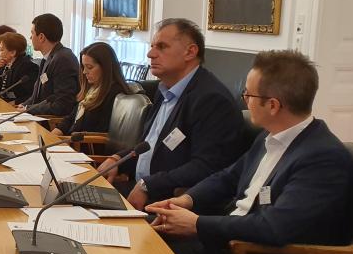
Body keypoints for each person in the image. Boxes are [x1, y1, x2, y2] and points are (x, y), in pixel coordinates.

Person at [146, 50, 353, 254]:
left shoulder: (322, 158)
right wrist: (187, 201)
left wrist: (197, 224)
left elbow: (274, 227)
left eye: (248, 95)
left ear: (273, 105)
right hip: (228, 243)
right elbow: (227, 177)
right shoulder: (269, 136)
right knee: (146, 238)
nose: (244, 100)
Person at [97, 18, 246, 209]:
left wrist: (148, 185)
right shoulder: (164, 90)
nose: (150, 54)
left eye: (161, 47)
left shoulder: (211, 99)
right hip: (142, 190)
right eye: (152, 46)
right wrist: (118, 159)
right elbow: (149, 146)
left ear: (190, 52)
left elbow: (207, 166)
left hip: (173, 205)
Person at [54, 42, 130, 135]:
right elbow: (71, 118)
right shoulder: (92, 88)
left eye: (89, 67)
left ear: (105, 67)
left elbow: (102, 132)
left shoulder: (114, 94)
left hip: (84, 143)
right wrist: (55, 133)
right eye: (83, 67)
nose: (84, 72)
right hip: (72, 140)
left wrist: (65, 139)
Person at [19, 13, 80, 116]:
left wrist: (28, 109)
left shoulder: (63, 59)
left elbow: (63, 104)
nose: (30, 37)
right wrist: (23, 106)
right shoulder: (49, 57)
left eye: (32, 33)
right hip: (38, 116)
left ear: (41, 37)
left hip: (50, 122)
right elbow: (36, 96)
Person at [0, 32, 38, 104]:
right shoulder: (5, 64)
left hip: (16, 107)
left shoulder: (28, 67)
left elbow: (32, 95)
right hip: (1, 103)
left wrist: (14, 102)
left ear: (12, 53)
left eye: (1, 50)